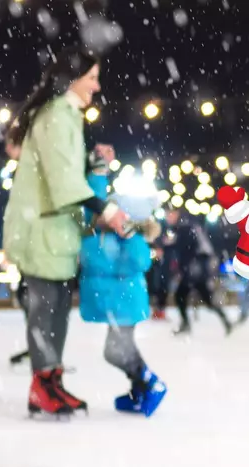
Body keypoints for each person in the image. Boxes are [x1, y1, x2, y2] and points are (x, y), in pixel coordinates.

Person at [2, 46, 131, 418]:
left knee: (57, 309)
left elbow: (65, 172)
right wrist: (107, 209)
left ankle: (51, 382)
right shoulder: (57, 116)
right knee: (45, 311)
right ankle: (43, 385)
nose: (96, 85)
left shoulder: (66, 117)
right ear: (70, 80)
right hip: (41, 227)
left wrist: (93, 163)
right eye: (90, 77)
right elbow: (63, 182)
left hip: (55, 229)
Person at [78, 149, 168, 417]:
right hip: (115, 301)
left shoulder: (131, 239)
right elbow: (92, 202)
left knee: (115, 351)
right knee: (120, 349)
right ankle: (139, 388)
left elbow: (141, 262)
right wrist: (98, 171)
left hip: (125, 301)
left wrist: (128, 236)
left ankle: (151, 383)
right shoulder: (98, 232)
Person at [166, 209, 232, 336]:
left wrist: (186, 269)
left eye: (170, 214)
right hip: (195, 272)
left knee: (182, 296)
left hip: (193, 272)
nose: (168, 217)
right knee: (203, 299)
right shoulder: (186, 227)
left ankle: (186, 324)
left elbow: (190, 250)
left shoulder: (184, 228)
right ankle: (224, 320)